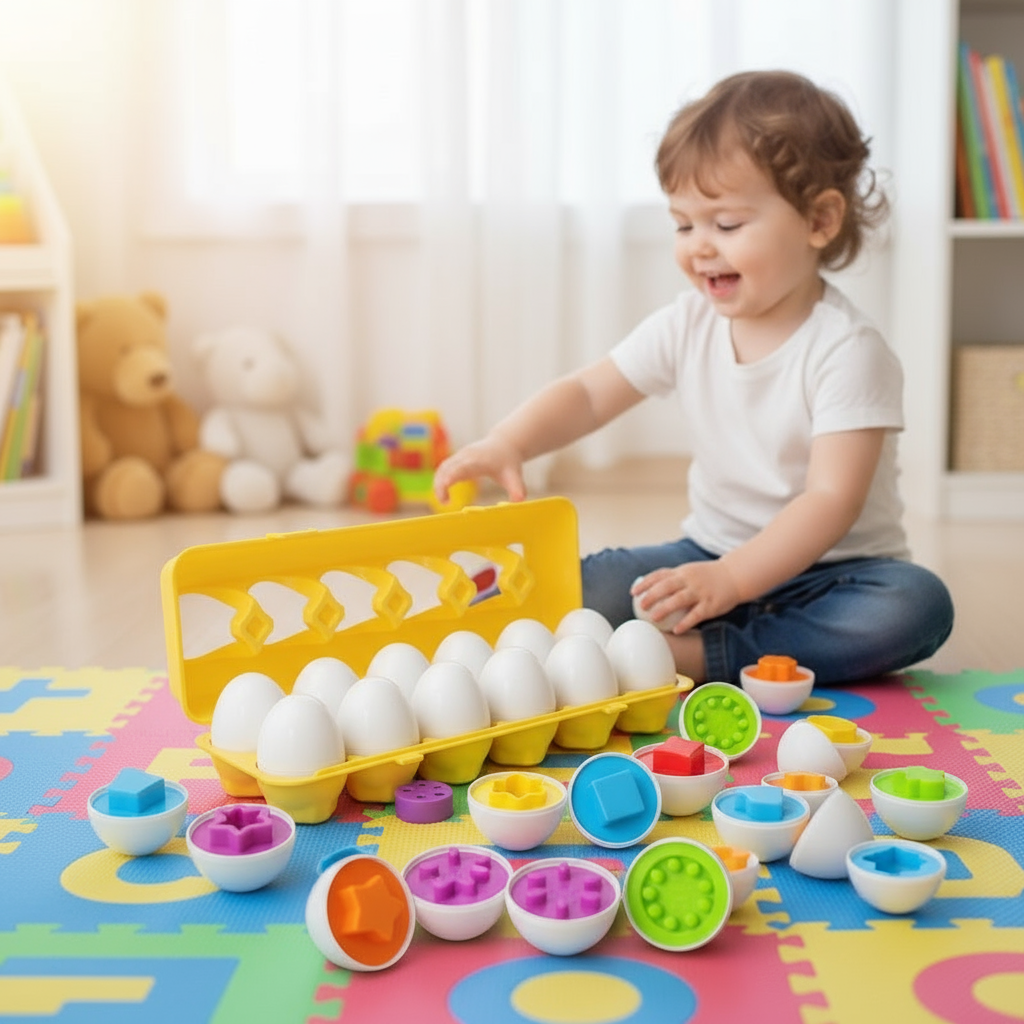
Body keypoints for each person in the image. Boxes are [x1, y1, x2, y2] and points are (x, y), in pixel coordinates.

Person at [433, 70, 954, 686]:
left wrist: (733, 581)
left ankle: (707, 656)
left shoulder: (847, 350)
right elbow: (591, 393)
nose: (699, 247)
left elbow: (830, 501)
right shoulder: (688, 324)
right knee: (586, 583)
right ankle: (711, 640)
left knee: (916, 607)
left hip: (835, 575)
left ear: (819, 220)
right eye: (684, 224)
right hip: (706, 553)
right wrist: (508, 442)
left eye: (726, 225)